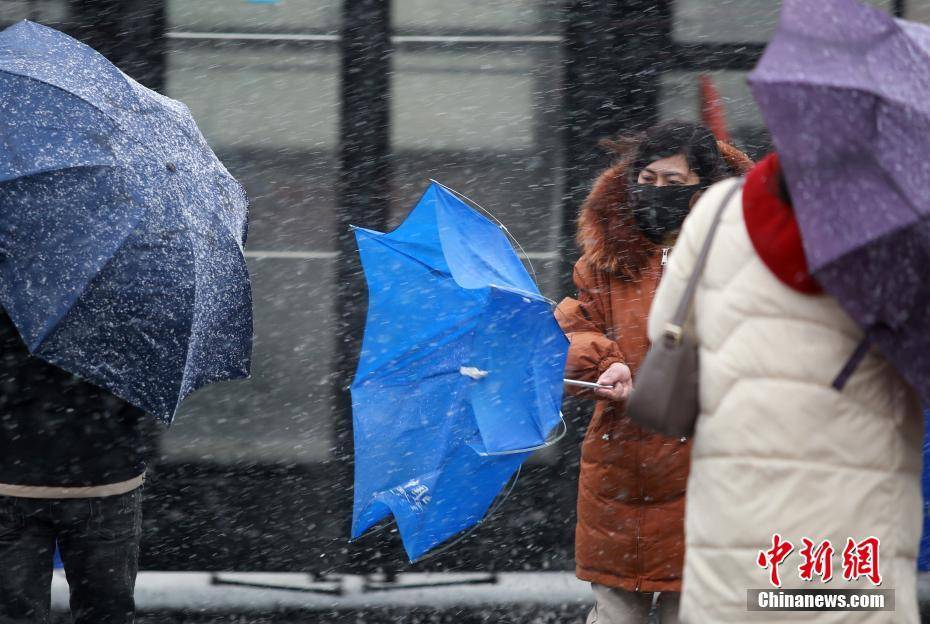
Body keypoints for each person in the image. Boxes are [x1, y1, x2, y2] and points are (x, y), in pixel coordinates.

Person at [647, 153, 922, 622]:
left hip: (736, 539)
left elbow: (664, 329)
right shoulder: (906, 227)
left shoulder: (718, 209)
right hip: (855, 543)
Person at [556, 121, 752, 623]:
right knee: (616, 612)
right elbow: (575, 328)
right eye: (647, 180)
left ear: (703, 190)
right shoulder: (604, 261)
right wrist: (605, 363)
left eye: (673, 183)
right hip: (620, 472)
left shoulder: (742, 263)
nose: (657, 194)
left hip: (707, 470)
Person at [0, 309, 163, 624]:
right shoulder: (124, 292)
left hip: (11, 474)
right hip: (105, 478)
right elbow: (143, 391)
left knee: (13, 612)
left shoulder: (11, 278)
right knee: (107, 610)